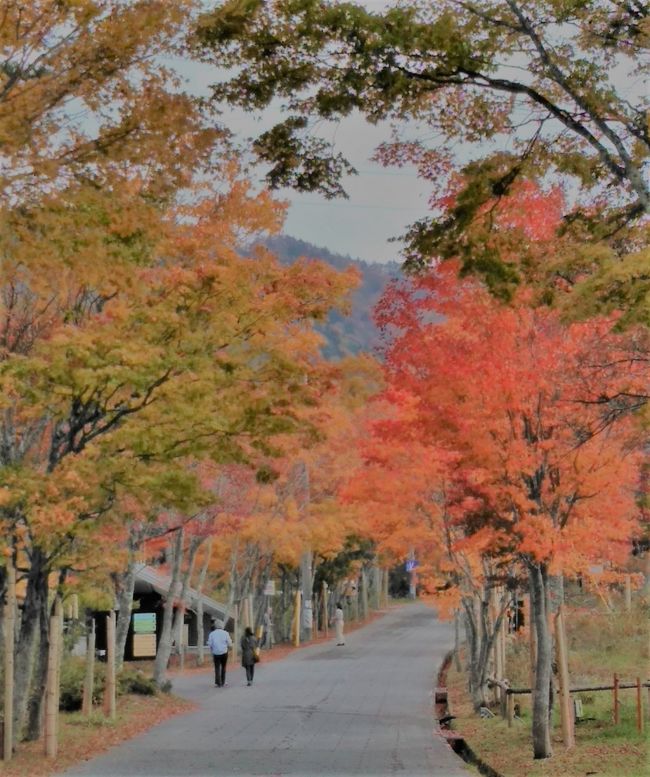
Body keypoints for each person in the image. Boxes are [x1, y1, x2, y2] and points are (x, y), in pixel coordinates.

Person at [207, 619, 232, 687]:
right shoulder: (225, 633)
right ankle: (223, 682)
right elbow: (229, 643)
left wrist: (212, 649)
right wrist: (229, 647)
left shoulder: (212, 634)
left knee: (217, 667)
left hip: (216, 653)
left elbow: (209, 644)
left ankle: (218, 682)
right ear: (222, 625)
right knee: (223, 667)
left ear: (215, 625)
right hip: (224, 652)